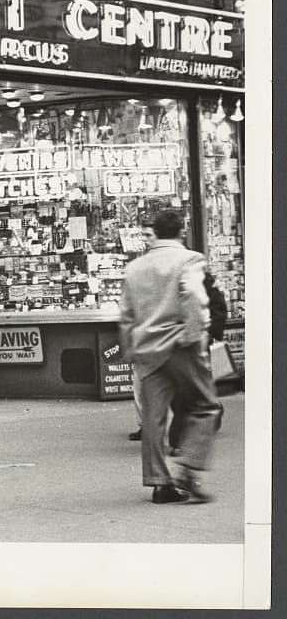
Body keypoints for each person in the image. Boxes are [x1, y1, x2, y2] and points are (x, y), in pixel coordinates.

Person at [119, 209, 220, 504]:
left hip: (147, 349)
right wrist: (193, 335)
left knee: (153, 417)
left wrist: (129, 350)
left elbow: (126, 314)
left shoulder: (135, 268)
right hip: (180, 344)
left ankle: (160, 483)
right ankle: (187, 469)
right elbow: (194, 296)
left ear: (156, 232)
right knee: (206, 406)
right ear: (180, 230)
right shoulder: (189, 258)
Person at [169, 270, 229, 451]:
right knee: (179, 392)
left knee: (191, 388)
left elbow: (218, 306)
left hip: (197, 342)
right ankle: (209, 412)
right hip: (173, 342)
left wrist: (210, 334)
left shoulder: (200, 274)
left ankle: (180, 440)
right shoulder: (166, 274)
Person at [128, 221, 157, 442]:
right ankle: (146, 426)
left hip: (163, 337)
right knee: (139, 386)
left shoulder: (179, 260)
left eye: (148, 235)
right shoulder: (139, 264)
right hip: (145, 337)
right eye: (143, 235)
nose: (145, 239)